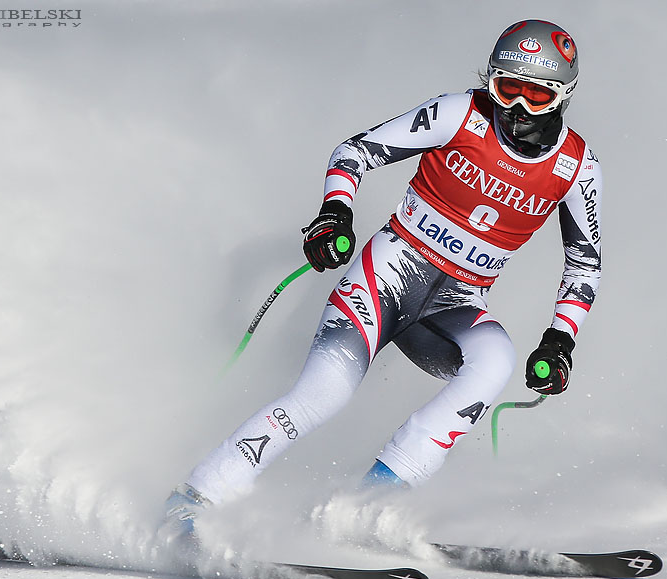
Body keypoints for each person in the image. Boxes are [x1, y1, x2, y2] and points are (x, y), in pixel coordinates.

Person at [161, 19, 602, 542]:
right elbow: (355, 150)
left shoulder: (577, 167)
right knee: (324, 393)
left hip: (452, 307)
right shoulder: (460, 113)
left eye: (536, 94)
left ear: (563, 95)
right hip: (388, 275)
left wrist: (561, 338)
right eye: (507, 88)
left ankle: (367, 503)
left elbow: (585, 262)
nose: (517, 108)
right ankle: (195, 499)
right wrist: (335, 212)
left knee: (495, 360)